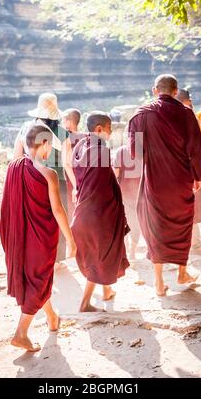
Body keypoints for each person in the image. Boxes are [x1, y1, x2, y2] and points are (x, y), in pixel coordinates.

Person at [0, 124, 77, 352]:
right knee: (40, 279)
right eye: (50, 145)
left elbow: (7, 205)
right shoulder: (48, 173)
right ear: (43, 143)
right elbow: (58, 210)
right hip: (40, 238)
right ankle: (21, 333)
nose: (50, 150)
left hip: (18, 236)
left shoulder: (13, 167)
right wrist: (71, 240)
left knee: (37, 280)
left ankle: (52, 318)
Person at [128, 75, 201, 296]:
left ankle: (159, 282)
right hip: (181, 180)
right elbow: (196, 147)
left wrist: (154, 154)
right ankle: (182, 272)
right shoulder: (186, 113)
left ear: (155, 90)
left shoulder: (141, 114)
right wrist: (198, 176)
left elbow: (135, 152)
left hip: (154, 180)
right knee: (183, 223)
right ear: (175, 91)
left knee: (156, 226)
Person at [71, 112, 130, 312]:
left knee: (99, 254)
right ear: (98, 129)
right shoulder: (101, 152)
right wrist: (117, 213)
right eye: (109, 128)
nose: (110, 132)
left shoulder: (79, 146)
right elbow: (103, 189)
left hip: (81, 213)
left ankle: (106, 291)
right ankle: (85, 303)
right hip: (97, 215)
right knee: (99, 257)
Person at [13, 93, 76, 261]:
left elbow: (16, 156)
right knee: (58, 215)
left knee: (32, 216)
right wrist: (77, 186)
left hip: (29, 177)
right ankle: (57, 259)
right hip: (57, 179)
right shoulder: (63, 133)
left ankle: (33, 253)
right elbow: (67, 164)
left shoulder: (25, 128)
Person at [176, 89, 201, 248]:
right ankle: (193, 241)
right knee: (191, 208)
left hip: (175, 172)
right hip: (189, 171)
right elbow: (198, 147)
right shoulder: (189, 117)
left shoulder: (162, 117)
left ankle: (189, 241)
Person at [112, 144, 142, 259]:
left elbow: (116, 175)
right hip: (139, 195)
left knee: (125, 222)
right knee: (136, 224)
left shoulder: (120, 151)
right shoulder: (143, 151)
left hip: (125, 194)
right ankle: (132, 251)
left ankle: (128, 248)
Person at [62, 108, 85, 221]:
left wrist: (75, 185)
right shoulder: (85, 137)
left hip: (71, 179)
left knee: (71, 212)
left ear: (69, 122)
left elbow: (66, 164)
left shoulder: (66, 138)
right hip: (83, 178)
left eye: (63, 121)